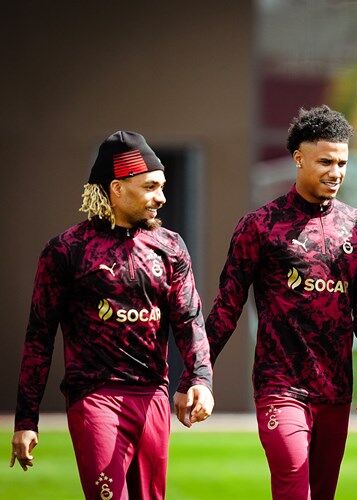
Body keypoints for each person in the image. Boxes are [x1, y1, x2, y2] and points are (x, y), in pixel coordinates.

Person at [10, 131, 214, 500]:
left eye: (162, 186)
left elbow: (189, 320)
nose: (161, 197)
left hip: (152, 395)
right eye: (150, 187)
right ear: (117, 189)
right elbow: (39, 337)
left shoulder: (170, 247)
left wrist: (200, 379)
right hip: (94, 396)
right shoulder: (66, 250)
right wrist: (26, 418)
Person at [205, 105, 357, 499]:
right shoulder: (259, 225)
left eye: (342, 163)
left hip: (336, 388)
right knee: (292, 483)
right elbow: (227, 306)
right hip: (280, 384)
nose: (335, 172)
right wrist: (198, 374)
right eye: (325, 161)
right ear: (299, 158)